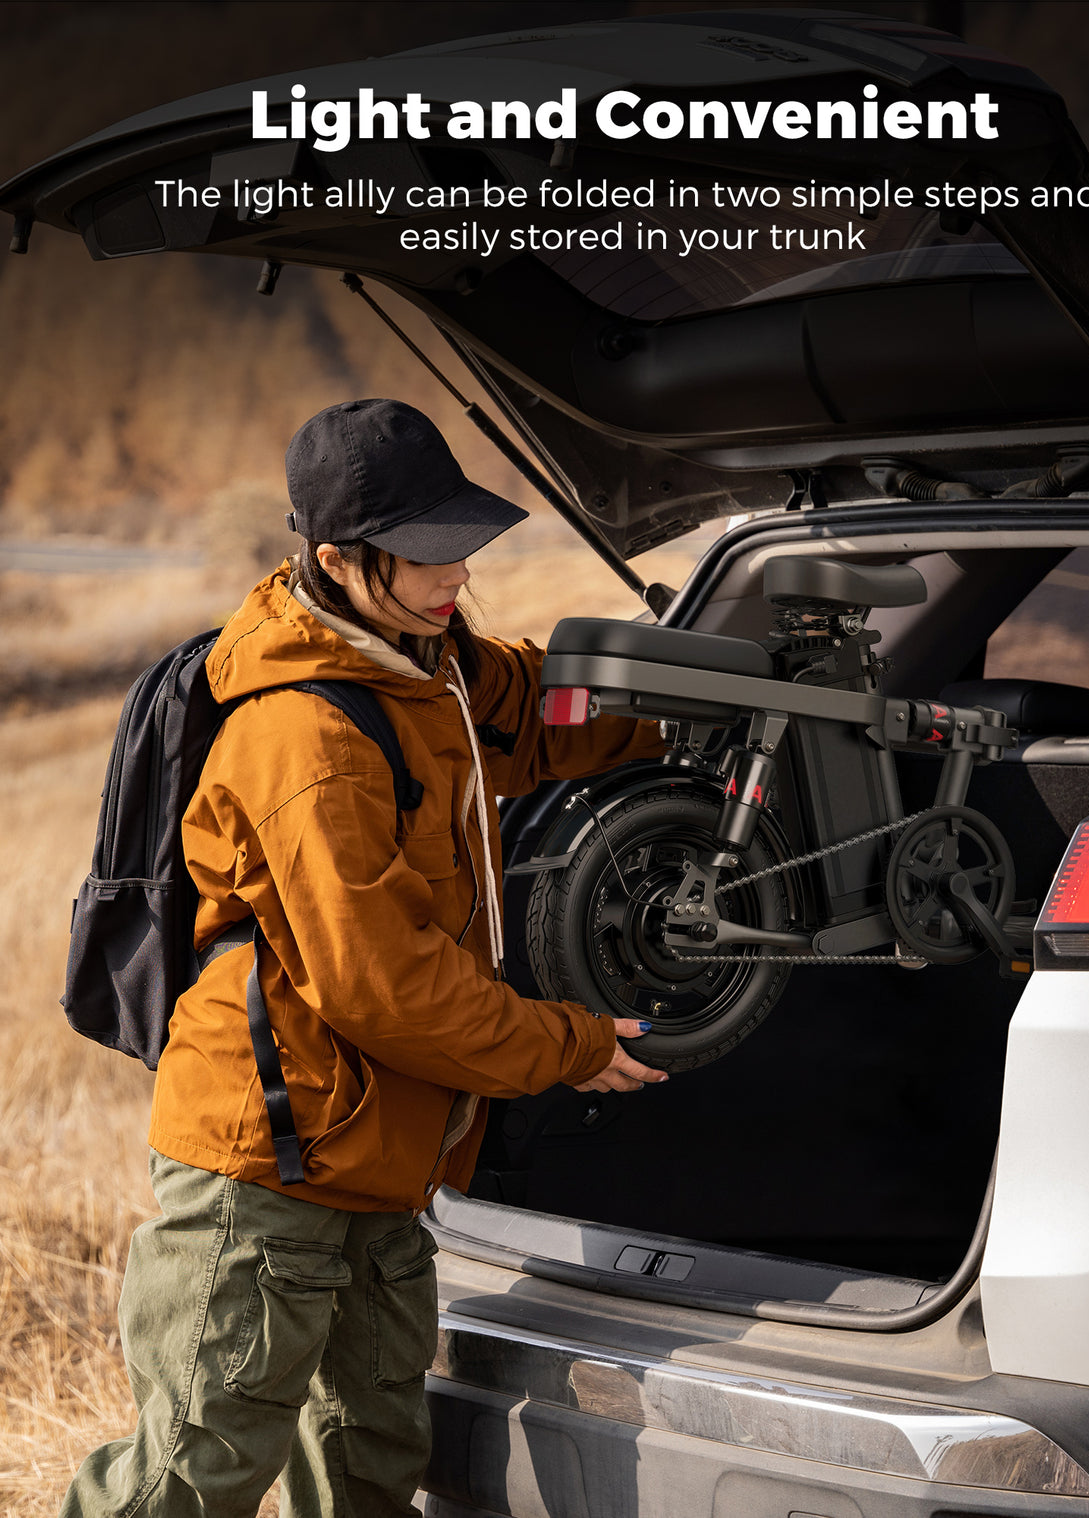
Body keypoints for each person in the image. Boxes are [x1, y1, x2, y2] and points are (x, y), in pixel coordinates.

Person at [61, 398, 669, 1518]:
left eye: (462, 541)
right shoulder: (310, 739)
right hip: (264, 1171)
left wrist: (687, 707)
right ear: (337, 561)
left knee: (367, 1467)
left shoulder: (423, 664)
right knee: (192, 1475)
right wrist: (565, 1046)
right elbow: (381, 982)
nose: (457, 572)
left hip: (372, 1164)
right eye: (426, 552)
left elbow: (530, 719)